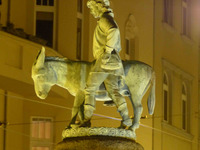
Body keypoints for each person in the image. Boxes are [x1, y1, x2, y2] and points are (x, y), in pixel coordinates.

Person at [82, 0, 132, 127]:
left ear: (99, 6)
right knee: (114, 91)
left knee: (90, 89)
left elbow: (113, 31)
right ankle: (126, 118)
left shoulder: (105, 19)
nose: (92, 11)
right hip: (114, 62)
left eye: (93, 8)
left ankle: (86, 120)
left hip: (104, 61)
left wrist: (107, 51)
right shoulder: (108, 18)